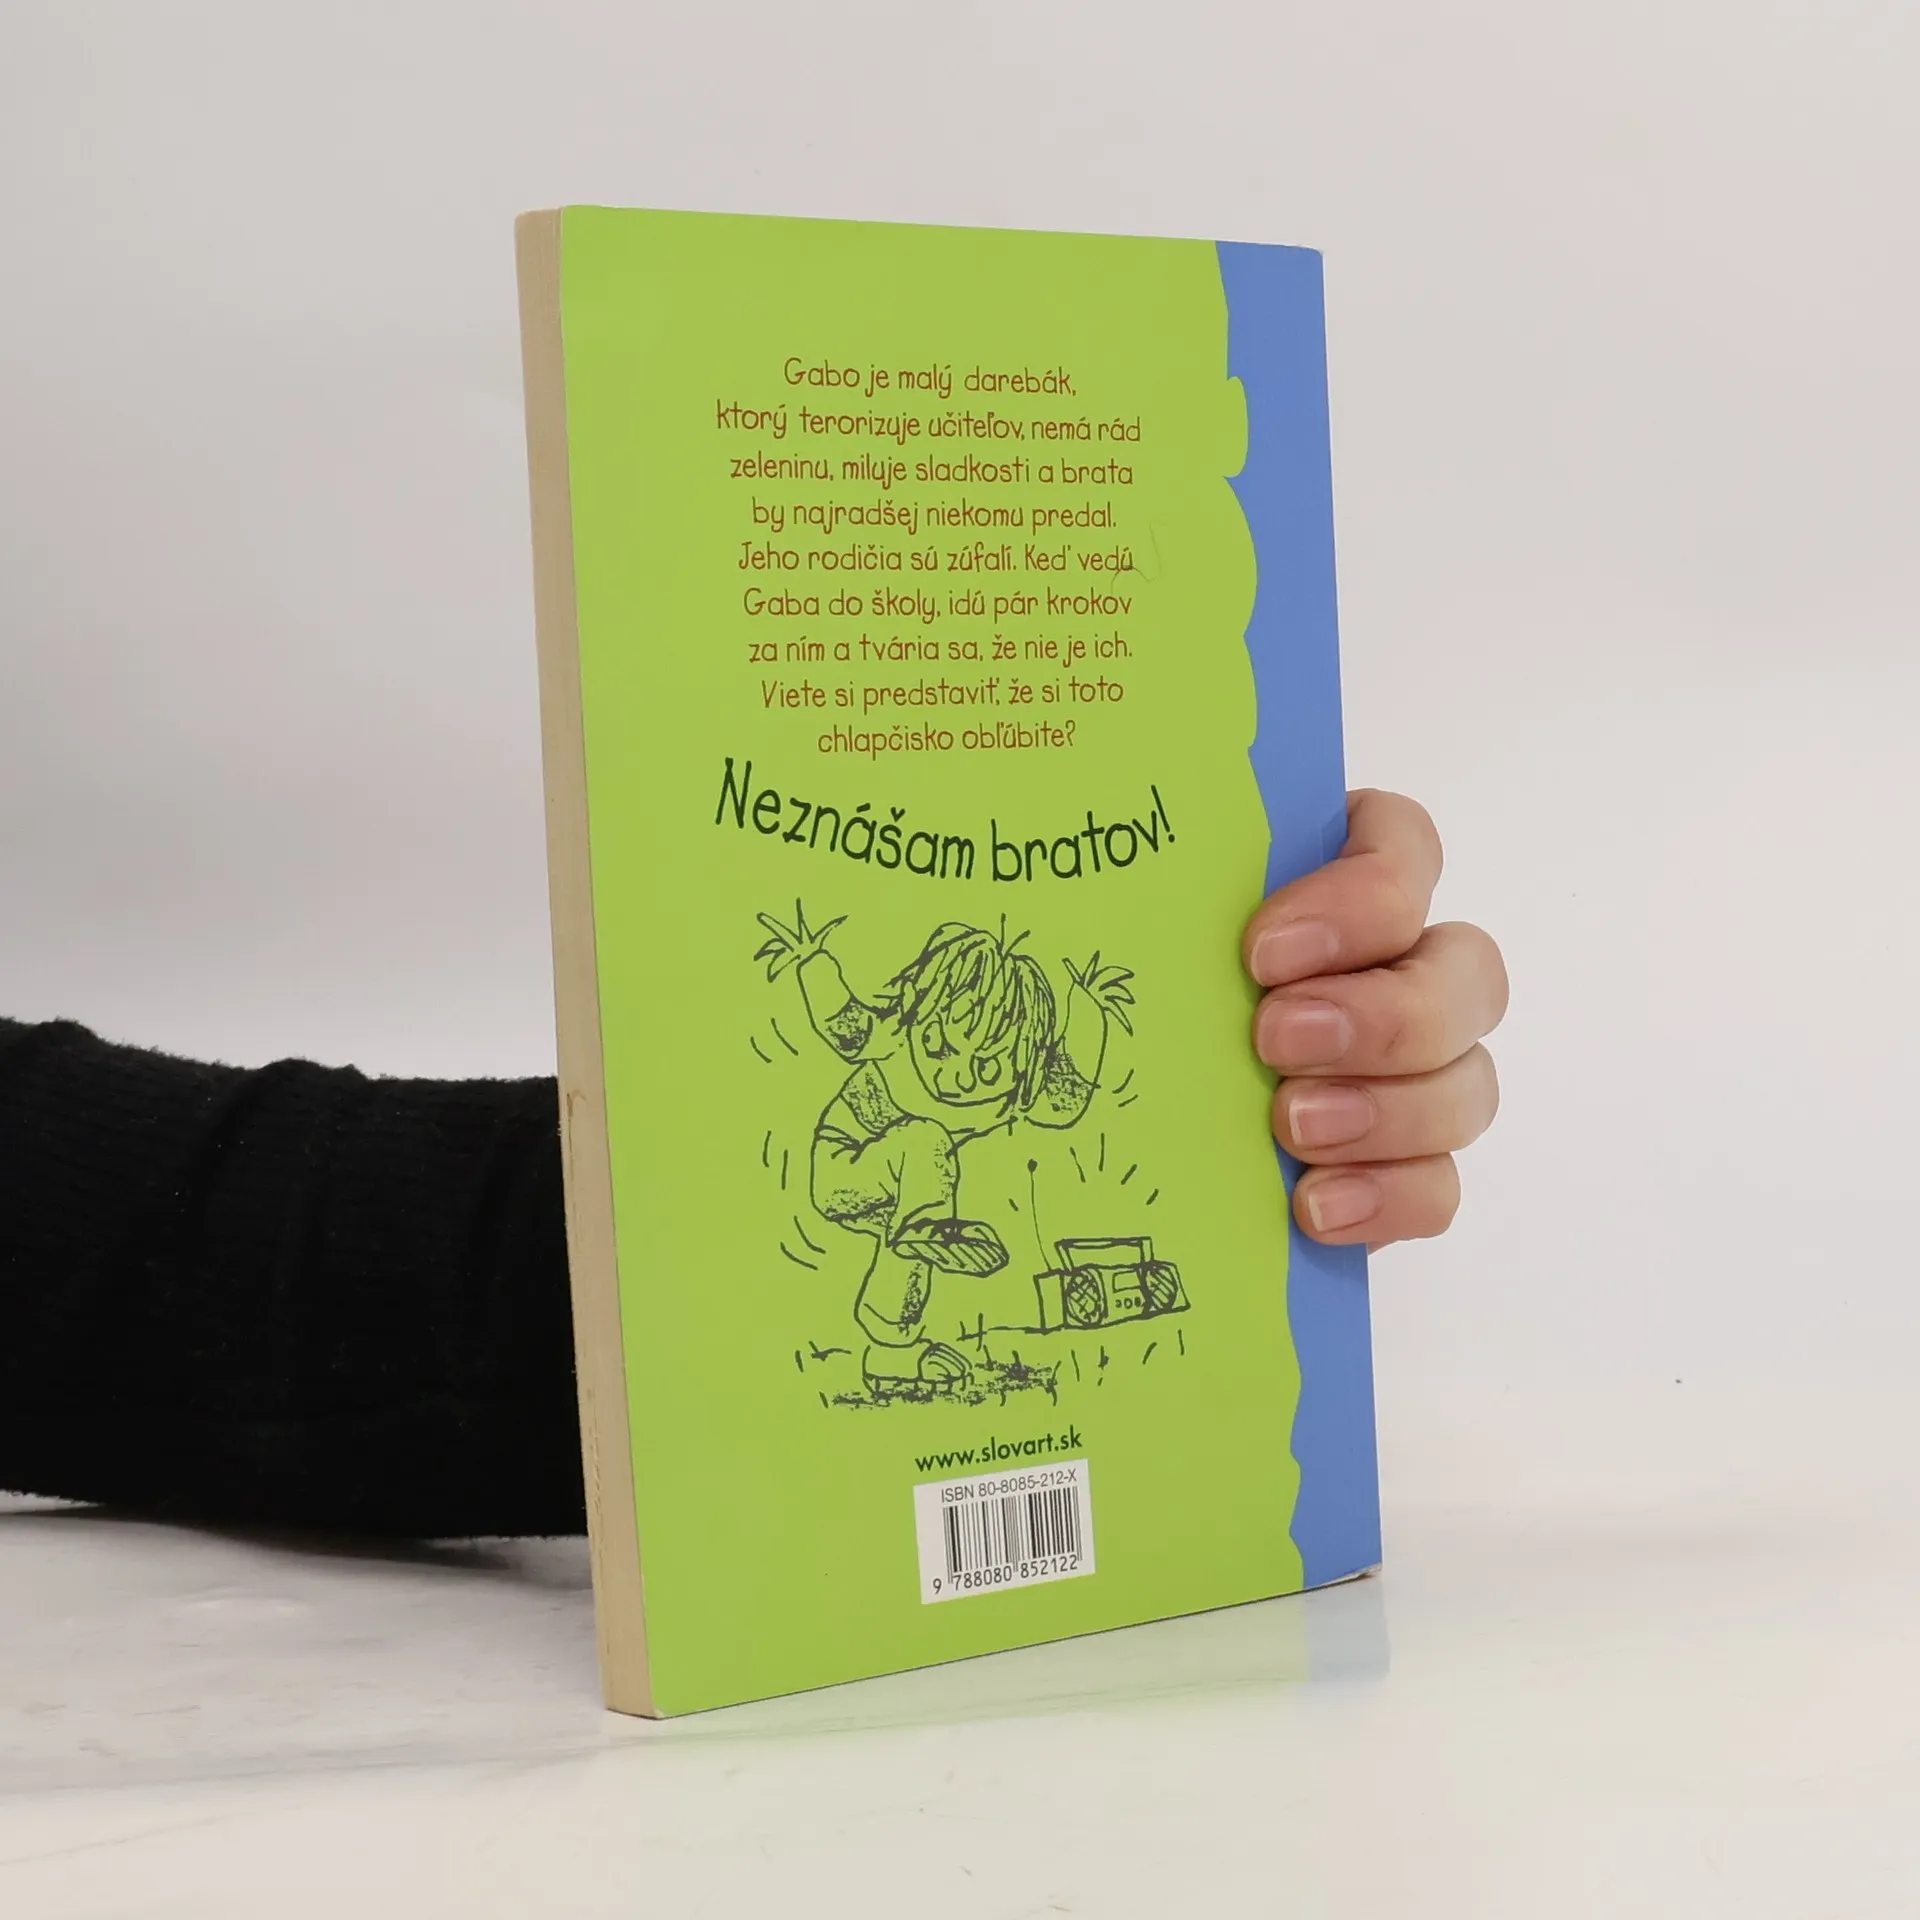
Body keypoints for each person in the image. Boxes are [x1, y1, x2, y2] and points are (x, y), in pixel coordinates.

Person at [0, 789, 1504, 1538]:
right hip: (863, 1183)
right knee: (906, 1236)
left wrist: (1213, 1072)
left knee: (923, 1252)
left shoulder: (988, 1089)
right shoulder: (887, 1053)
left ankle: (908, 1303)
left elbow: (160, 1251)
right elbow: (849, 1019)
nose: (968, 1072)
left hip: (871, 1251)